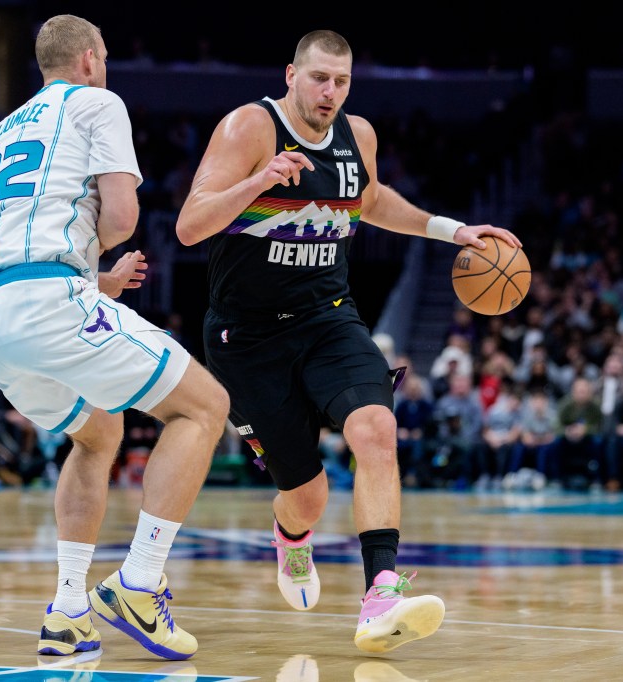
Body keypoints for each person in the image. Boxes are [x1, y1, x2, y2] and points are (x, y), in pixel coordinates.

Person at [175, 29, 521, 654]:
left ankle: (381, 594)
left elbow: (372, 200)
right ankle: (291, 535)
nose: (330, 92)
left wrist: (452, 230)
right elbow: (189, 227)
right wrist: (258, 182)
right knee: (308, 497)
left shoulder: (358, 135)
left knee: (376, 428)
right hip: (246, 336)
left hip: (328, 317)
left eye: (341, 81)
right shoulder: (249, 128)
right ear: (291, 75)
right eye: (319, 78)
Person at [0, 15, 229, 662]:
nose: (104, 67)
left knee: (99, 432)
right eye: (103, 57)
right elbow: (123, 217)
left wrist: (92, 279)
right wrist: (92, 262)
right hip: (46, 301)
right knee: (204, 407)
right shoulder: (98, 102)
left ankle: (68, 610)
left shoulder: (3, 128)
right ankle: (140, 582)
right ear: (87, 59)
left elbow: (27, 229)